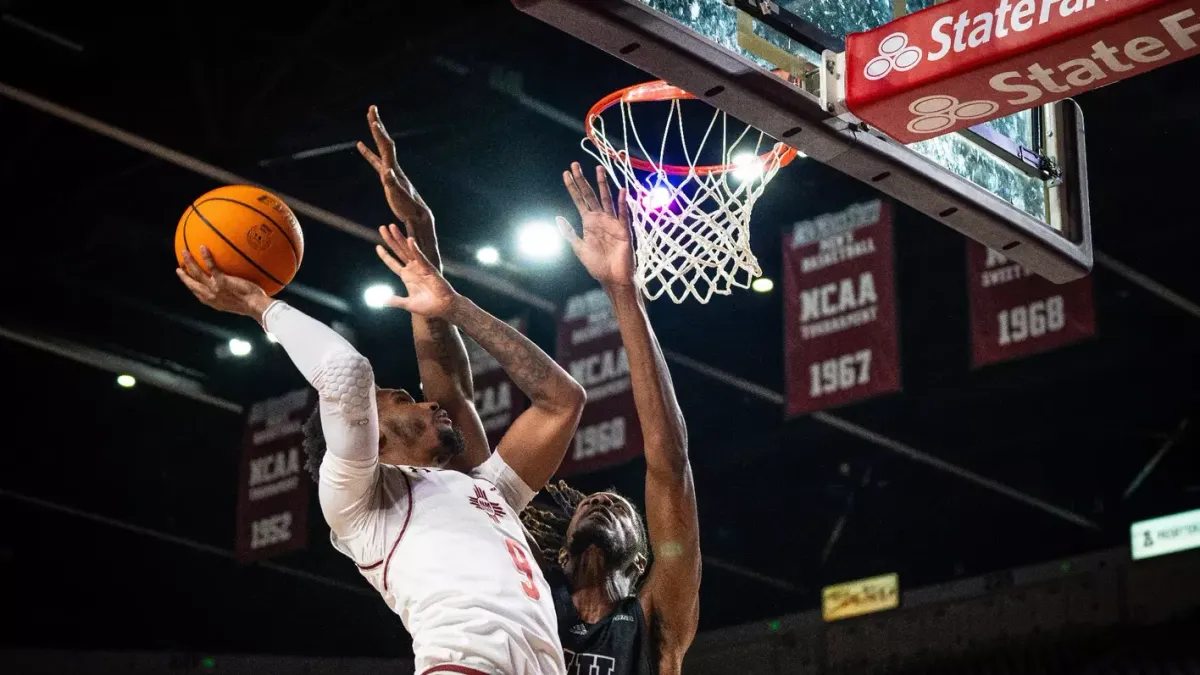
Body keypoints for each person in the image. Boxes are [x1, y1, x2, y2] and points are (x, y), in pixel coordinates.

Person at [175, 137, 587, 675]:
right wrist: (259, 306)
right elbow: (347, 374)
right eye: (403, 401)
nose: (425, 401)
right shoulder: (359, 501)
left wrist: (427, 238)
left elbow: (560, 400)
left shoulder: (485, 488)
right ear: (375, 440)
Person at [520, 164, 701, 675]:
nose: (601, 500)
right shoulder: (532, 602)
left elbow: (670, 465)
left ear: (643, 562)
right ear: (560, 558)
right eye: (597, 503)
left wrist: (624, 292)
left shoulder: (653, 622)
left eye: (622, 509)